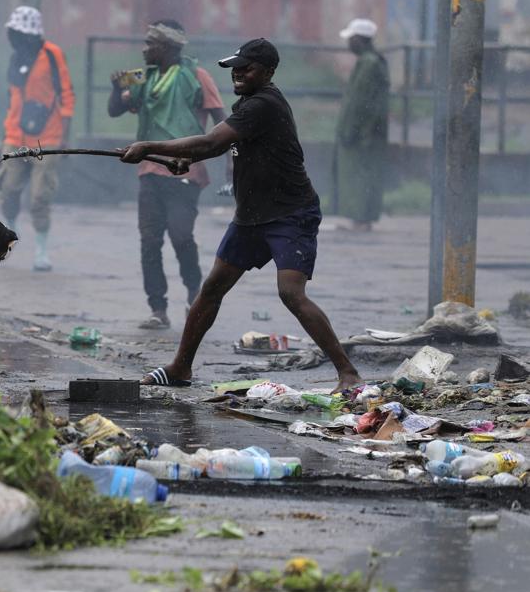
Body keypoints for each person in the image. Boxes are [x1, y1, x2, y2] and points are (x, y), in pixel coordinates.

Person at [118, 38, 363, 394]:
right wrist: (186, 159)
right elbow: (223, 148)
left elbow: (211, 143)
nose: (238, 73)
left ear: (269, 72)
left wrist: (148, 147)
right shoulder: (248, 104)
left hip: (290, 213)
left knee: (291, 294)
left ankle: (348, 373)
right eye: (235, 67)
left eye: (246, 68)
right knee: (212, 288)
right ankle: (180, 368)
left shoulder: (263, 104)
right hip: (252, 215)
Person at [107, 20, 226, 330]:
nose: (144, 49)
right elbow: (115, 110)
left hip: (185, 171)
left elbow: (221, 119)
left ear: (170, 47)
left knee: (181, 235)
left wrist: (225, 158)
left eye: (151, 44)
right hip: (149, 171)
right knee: (149, 241)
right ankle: (157, 309)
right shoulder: (141, 78)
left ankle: (193, 293)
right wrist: (116, 88)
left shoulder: (197, 77)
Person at [0, 6, 75, 271]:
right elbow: (12, 99)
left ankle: (41, 250)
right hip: (15, 134)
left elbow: (66, 94)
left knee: (40, 196)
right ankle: (11, 231)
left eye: (19, 32)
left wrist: (65, 137)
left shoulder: (52, 55)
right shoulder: (15, 58)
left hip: (48, 136)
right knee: (8, 189)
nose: (15, 37)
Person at [334, 18, 389, 232]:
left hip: (362, 133)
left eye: (351, 39)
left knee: (359, 174)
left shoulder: (369, 63)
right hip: (366, 131)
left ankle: (361, 218)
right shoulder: (372, 61)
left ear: (359, 39)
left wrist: (351, 130)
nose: (349, 44)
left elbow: (360, 101)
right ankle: (360, 218)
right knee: (362, 173)